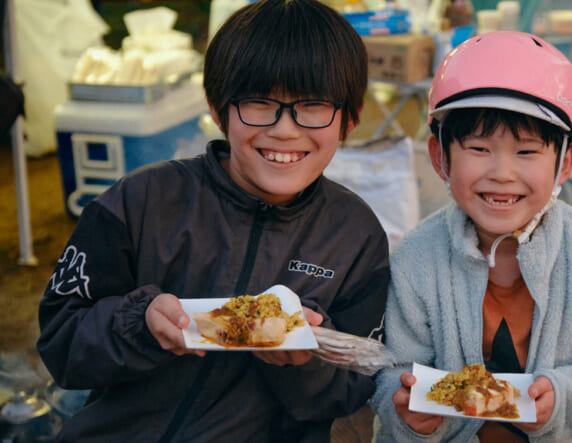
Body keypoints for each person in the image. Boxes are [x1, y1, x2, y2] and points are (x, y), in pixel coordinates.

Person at [36, 1, 389, 441]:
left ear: (349, 119)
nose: (284, 129)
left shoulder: (355, 235)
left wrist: (306, 362)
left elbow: (354, 387)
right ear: (218, 109)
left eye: (313, 106)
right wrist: (140, 324)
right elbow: (61, 343)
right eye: (259, 103)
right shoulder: (142, 200)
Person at [371, 31, 572, 442]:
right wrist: (407, 410)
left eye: (526, 151)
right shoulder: (416, 257)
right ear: (440, 156)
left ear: (565, 161)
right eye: (479, 148)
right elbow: (394, 370)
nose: (502, 173)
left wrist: (561, 397)